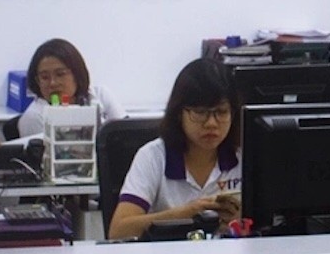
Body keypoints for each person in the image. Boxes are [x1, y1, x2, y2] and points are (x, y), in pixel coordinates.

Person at [108, 58, 242, 240]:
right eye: (200, 112)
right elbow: (119, 230)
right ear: (179, 113)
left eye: (221, 112)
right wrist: (186, 215)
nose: (211, 123)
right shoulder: (154, 156)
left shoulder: (243, 156)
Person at [17, 38, 125, 138]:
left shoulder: (100, 95)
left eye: (60, 74)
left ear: (77, 74)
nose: (53, 83)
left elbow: (126, 133)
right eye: (45, 77)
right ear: (37, 81)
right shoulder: (34, 117)